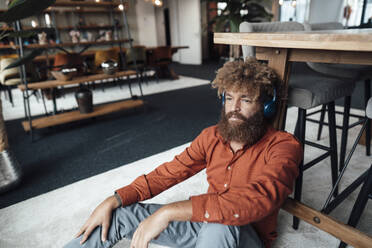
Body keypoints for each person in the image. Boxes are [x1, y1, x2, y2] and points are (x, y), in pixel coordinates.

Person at [64, 58, 303, 248]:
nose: (234, 108)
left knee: (220, 224)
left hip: (246, 236)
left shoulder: (283, 146)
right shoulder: (211, 136)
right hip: (207, 225)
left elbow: (259, 199)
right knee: (120, 215)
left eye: (246, 100)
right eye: (229, 98)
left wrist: (168, 212)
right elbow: (168, 173)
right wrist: (114, 198)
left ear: (266, 106)